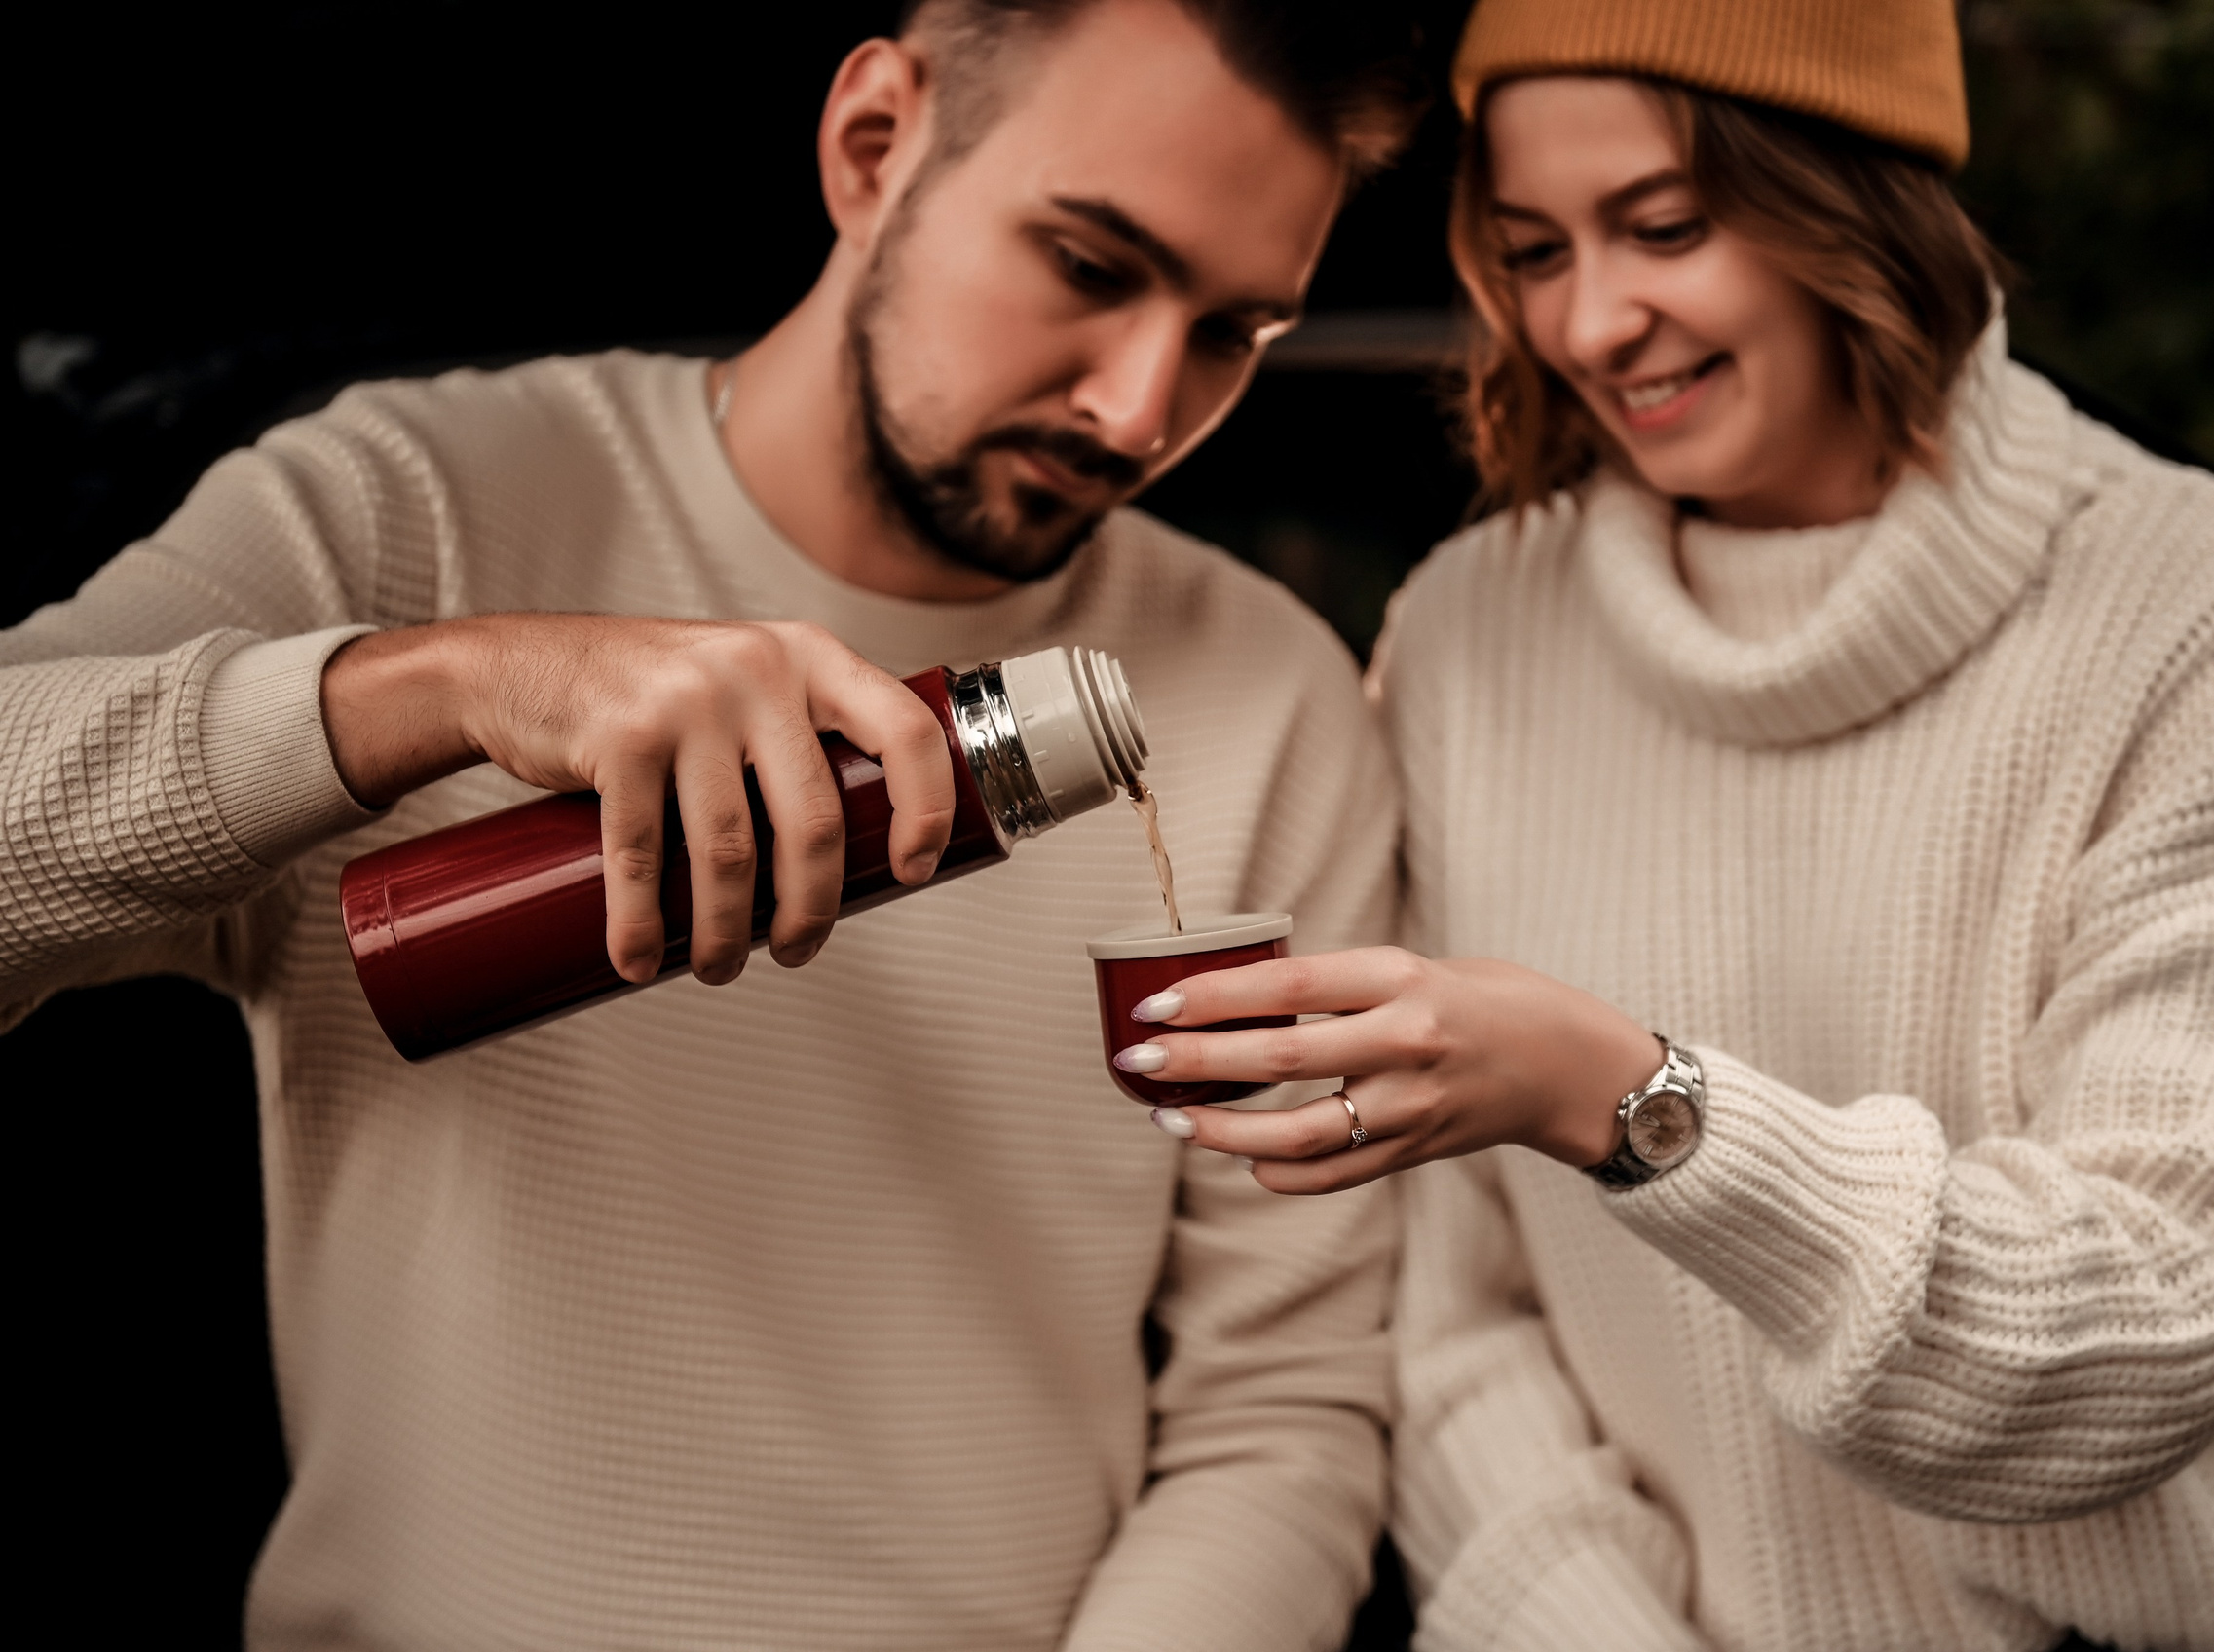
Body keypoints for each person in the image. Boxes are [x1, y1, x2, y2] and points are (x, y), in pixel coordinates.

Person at [0, 2, 1425, 1646]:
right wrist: (435, 686)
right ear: (874, 143)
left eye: (1233, 332)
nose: (1135, 409)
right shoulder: (415, 504)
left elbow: (1284, 1404)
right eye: (1091, 267)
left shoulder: (1270, 693)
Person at [1121, 1, 2214, 1647]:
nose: (1594, 322)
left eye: (1666, 228)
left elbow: (2152, 1331)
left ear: (1857, 196)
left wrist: (1626, 1100)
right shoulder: (1471, 639)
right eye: (1535, 248)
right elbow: (1450, 1326)